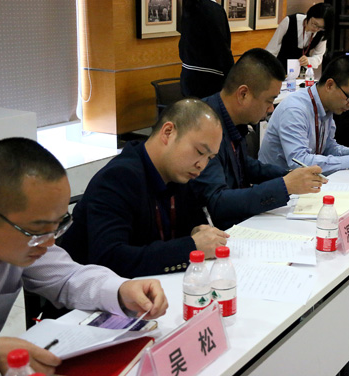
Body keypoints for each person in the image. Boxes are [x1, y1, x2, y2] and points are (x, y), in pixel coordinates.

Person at [0, 138, 168, 376]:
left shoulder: (14, 238)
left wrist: (121, 290)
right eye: (36, 230)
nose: (49, 242)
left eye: (58, 225)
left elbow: (67, 276)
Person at [60, 99, 229, 278]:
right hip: (93, 292)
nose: (202, 165)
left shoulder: (180, 175)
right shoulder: (118, 178)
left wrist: (198, 233)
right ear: (168, 132)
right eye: (200, 152)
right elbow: (109, 259)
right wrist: (190, 247)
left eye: (209, 158)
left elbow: (195, 228)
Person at [189, 48, 326, 229]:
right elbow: (217, 202)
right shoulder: (204, 125)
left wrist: (289, 176)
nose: (271, 109)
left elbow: (243, 165)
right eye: (269, 101)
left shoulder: (232, 118)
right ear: (243, 94)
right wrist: (285, 186)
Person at [258, 55, 349, 175]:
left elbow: (328, 147)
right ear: (330, 85)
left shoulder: (326, 106)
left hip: (304, 180)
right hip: (278, 181)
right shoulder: (294, 110)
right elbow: (300, 162)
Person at [179, 0, 234, 98]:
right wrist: (234, 79)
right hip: (209, 82)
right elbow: (222, 50)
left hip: (187, 78)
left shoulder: (190, 6)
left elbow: (182, 47)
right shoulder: (214, 10)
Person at [265, 3, 334, 72]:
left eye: (321, 27)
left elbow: (318, 55)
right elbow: (272, 49)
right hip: (279, 68)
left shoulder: (322, 32)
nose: (316, 29)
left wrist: (309, 60)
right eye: (314, 24)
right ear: (309, 15)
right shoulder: (289, 21)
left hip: (300, 72)